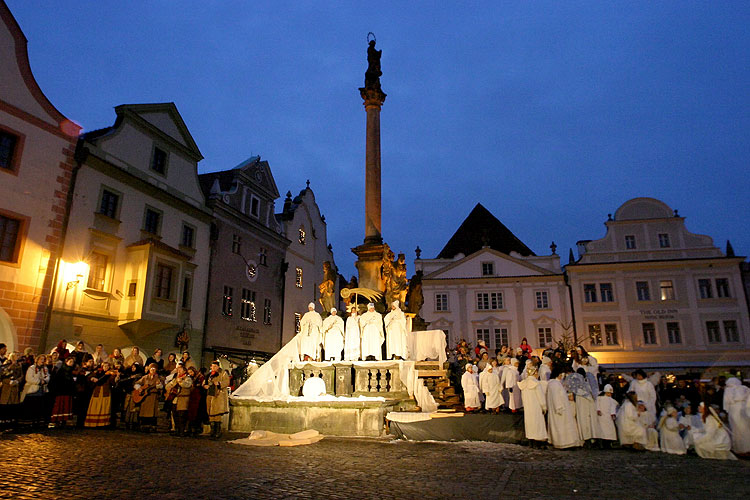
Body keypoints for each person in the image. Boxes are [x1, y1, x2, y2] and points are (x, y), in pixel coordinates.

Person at [547, 367, 581, 449]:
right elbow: (556, 397)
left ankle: (568, 443)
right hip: (560, 410)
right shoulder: (554, 384)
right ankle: (563, 443)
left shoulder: (556, 383)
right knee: (561, 427)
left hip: (563, 409)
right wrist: (559, 407)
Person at [517, 365, 547, 446]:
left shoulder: (524, 383)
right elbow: (540, 396)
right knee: (537, 424)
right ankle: (538, 442)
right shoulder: (536, 383)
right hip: (536, 407)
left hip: (528, 407)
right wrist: (544, 406)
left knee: (529, 424)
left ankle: (531, 441)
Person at [19, 354, 50, 429]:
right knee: (31, 406)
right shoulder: (32, 368)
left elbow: (48, 376)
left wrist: (45, 380)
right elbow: (29, 378)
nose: (42, 361)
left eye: (43, 359)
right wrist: (39, 381)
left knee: (39, 407)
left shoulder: (45, 369)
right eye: (41, 359)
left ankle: (37, 422)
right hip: (32, 390)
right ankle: (29, 422)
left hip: (41, 390)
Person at [85, 362, 117, 428]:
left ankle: (103, 423)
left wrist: (115, 377)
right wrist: (92, 378)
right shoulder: (98, 372)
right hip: (97, 391)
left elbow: (113, 382)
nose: (106, 367)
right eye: (104, 366)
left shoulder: (110, 374)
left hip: (106, 391)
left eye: (107, 366)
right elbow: (89, 376)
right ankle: (93, 423)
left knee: (105, 406)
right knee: (95, 406)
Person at [723, 377, 750, 455]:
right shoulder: (745, 388)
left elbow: (726, 402)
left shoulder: (728, 390)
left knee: (736, 429)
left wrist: (727, 409)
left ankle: (739, 448)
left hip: (734, 408)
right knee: (745, 429)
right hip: (744, 408)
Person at [204, 360, 230, 439]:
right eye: (212, 366)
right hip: (210, 395)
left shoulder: (223, 373)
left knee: (217, 413)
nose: (213, 368)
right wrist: (205, 386)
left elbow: (227, 382)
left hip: (218, 396)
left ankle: (217, 432)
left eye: (215, 366)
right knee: (211, 413)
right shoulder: (209, 375)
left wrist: (219, 383)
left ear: (218, 367)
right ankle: (212, 432)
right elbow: (205, 382)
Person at [165, 364, 193, 437]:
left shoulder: (188, 378)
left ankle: (182, 431)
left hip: (183, 399)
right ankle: (177, 430)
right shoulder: (175, 378)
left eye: (180, 370)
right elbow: (168, 386)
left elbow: (187, 385)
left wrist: (180, 382)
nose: (179, 371)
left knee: (182, 416)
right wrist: (171, 386)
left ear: (184, 371)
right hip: (175, 399)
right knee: (175, 415)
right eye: (178, 370)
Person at [134, 363, 163, 432]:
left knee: (153, 412)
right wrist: (139, 388)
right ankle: (144, 426)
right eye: (151, 368)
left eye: (154, 368)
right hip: (145, 397)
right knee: (144, 411)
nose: (152, 370)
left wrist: (158, 385)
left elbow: (161, 387)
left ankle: (152, 426)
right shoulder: (145, 377)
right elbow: (136, 384)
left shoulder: (159, 378)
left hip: (153, 396)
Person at [49, 356, 76, 427]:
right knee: (60, 405)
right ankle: (57, 419)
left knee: (66, 405)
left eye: (72, 362)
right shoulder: (61, 370)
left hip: (68, 391)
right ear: (66, 362)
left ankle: (64, 419)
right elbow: (57, 380)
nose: (71, 363)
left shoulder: (71, 371)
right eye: (70, 362)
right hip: (61, 391)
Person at [0, 352, 22, 429]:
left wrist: (17, 381)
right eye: (16, 356)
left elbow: (21, 375)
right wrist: (8, 381)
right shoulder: (6, 364)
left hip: (14, 387)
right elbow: (2, 374)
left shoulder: (19, 365)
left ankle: (11, 421)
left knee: (12, 405)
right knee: (5, 404)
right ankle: (3, 421)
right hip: (6, 387)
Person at [186, 366, 207, 437]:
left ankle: (196, 428)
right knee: (192, 412)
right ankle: (191, 428)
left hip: (198, 397)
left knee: (197, 413)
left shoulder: (200, 377)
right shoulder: (192, 378)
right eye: (189, 373)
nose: (191, 374)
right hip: (193, 397)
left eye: (191, 372)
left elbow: (202, 386)